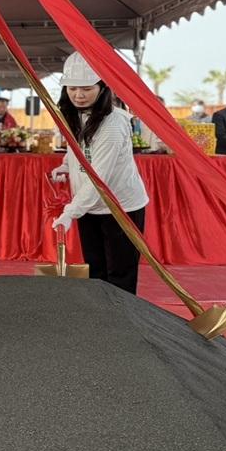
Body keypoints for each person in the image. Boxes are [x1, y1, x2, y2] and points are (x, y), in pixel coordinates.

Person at [50, 53, 149, 294]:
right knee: (95, 270)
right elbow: (79, 149)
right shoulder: (75, 115)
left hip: (120, 207)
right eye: (72, 88)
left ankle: (120, 314)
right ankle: (102, 314)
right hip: (89, 206)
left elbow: (99, 179)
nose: (79, 95)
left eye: (86, 88)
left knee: (120, 274)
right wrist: (66, 165)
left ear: (102, 88)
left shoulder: (113, 124)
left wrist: (70, 212)